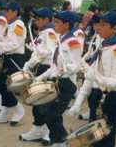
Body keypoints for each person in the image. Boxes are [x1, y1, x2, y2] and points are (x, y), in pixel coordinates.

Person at [68, 10, 116, 147]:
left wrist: (98, 78)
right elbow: (89, 79)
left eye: (104, 25)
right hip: (96, 96)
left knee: (105, 142)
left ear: (115, 28)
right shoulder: (102, 47)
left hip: (111, 99)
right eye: (99, 24)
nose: (98, 27)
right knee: (93, 141)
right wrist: (78, 103)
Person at [34, 10, 82, 147]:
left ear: (66, 25)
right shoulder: (61, 39)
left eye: (57, 22)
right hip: (57, 82)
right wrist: (40, 78)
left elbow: (76, 67)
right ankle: (58, 143)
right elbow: (53, 67)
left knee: (52, 117)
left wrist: (65, 64)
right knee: (51, 116)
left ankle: (66, 143)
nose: (53, 24)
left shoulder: (73, 42)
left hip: (67, 84)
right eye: (54, 21)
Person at [0, 0, 27, 126]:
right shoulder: (10, 24)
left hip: (15, 58)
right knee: (3, 85)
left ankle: (18, 109)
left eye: (8, 10)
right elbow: (4, 45)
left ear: (15, 12)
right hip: (7, 57)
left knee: (4, 85)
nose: (5, 12)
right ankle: (4, 114)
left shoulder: (19, 25)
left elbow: (14, 45)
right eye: (5, 10)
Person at [19, 7, 57, 145]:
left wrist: (39, 51)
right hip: (41, 67)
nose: (37, 21)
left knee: (46, 102)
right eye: (36, 18)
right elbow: (37, 55)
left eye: (39, 19)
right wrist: (28, 65)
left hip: (49, 69)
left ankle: (49, 131)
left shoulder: (50, 33)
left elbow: (53, 53)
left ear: (47, 19)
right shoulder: (42, 33)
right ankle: (36, 129)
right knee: (37, 101)